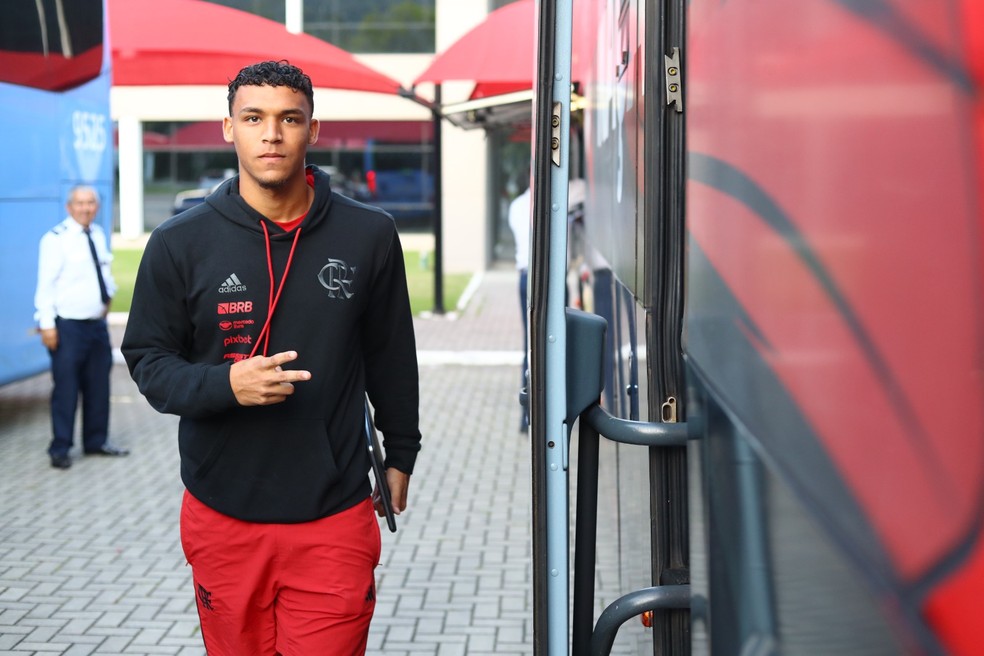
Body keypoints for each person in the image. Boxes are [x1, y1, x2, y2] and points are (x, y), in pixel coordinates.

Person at [121, 60, 421, 655]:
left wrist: (402, 451)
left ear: (314, 130)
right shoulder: (179, 242)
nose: (272, 134)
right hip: (222, 511)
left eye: (289, 118)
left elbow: (392, 355)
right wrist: (225, 386)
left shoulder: (369, 235)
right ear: (228, 128)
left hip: (333, 511)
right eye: (253, 117)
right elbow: (148, 362)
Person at [34, 185, 128, 470]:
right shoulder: (55, 240)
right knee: (66, 388)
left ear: (96, 207)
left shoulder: (97, 235)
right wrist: (47, 324)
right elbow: (46, 285)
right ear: (69, 207)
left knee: (99, 385)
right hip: (67, 327)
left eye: (91, 203)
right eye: (80, 203)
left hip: (96, 325)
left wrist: (107, 298)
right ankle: (60, 447)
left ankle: (96, 441)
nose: (86, 208)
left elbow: (103, 272)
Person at [507, 171, 531, 432]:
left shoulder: (516, 206)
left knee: (530, 346)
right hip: (543, 280)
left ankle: (527, 416)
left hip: (525, 279)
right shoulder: (563, 201)